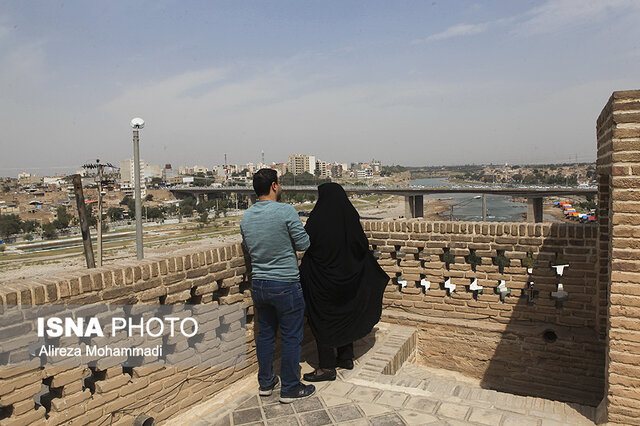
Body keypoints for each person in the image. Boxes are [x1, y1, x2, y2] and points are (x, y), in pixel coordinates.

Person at [240, 168, 316, 403]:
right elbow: (304, 243)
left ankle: (266, 383)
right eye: (279, 183)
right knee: (291, 337)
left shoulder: (247, 216)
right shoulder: (285, 211)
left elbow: (249, 248)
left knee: (265, 336)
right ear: (274, 186)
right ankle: (290, 388)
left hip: (260, 284)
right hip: (285, 283)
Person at [300, 183, 389, 381]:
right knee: (345, 314)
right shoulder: (350, 216)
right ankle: (346, 357)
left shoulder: (317, 218)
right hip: (348, 279)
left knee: (323, 319)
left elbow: (308, 243)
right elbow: (361, 245)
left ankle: (326, 367)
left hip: (323, 281)